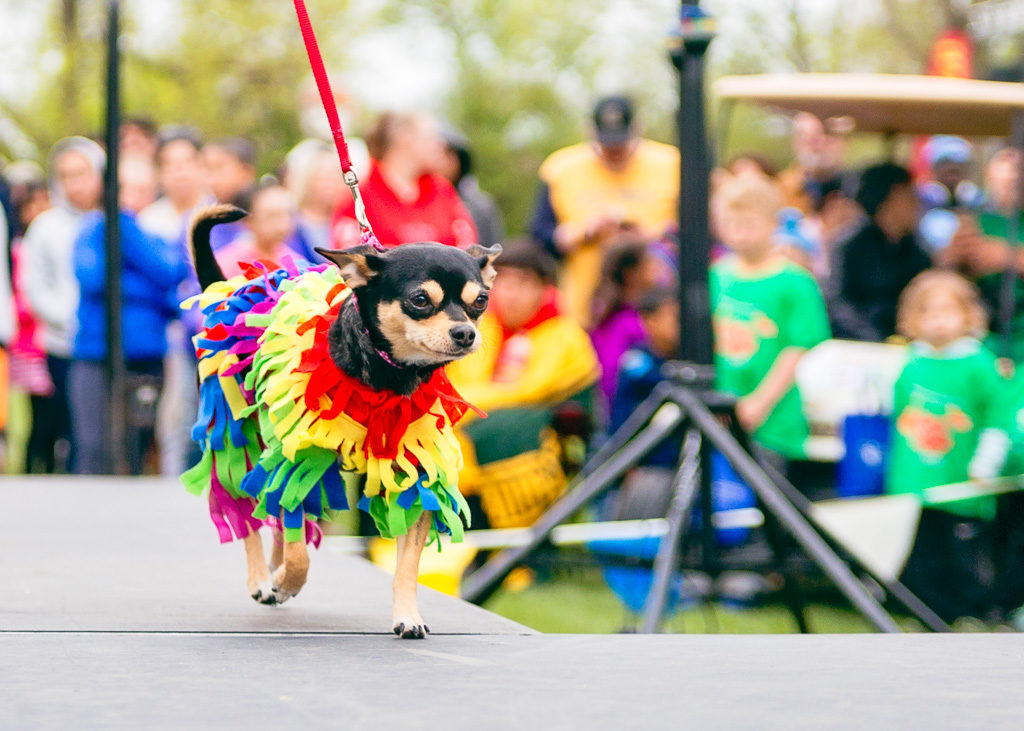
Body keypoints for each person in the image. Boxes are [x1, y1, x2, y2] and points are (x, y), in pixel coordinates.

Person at [887, 270, 1014, 623]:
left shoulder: (979, 364)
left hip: (961, 488)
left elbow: (998, 418)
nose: (938, 321)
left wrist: (987, 461)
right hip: (918, 485)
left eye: (947, 311)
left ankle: (970, 613)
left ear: (968, 315)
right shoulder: (912, 363)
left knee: (961, 557)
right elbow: (901, 416)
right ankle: (927, 614)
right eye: (927, 311)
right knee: (922, 556)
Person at [446, 240, 600, 529]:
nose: (511, 294)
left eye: (523, 283)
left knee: (491, 434)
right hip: (475, 417)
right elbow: (455, 382)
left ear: (545, 289)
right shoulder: (481, 326)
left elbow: (528, 390)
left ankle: (502, 545)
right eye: (502, 283)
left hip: (550, 437)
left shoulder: (565, 334)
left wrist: (457, 405)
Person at [69, 156, 189, 475]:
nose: (131, 198)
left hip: (145, 354)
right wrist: (142, 278)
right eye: (125, 189)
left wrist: (125, 231)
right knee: (93, 446)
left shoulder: (151, 234)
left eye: (142, 189)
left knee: (138, 444)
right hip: (95, 354)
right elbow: (93, 278)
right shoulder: (93, 229)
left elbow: (171, 275)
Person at [711, 175, 831, 473]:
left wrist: (758, 404)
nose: (739, 233)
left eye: (748, 223)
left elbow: (798, 347)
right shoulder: (715, 276)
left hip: (773, 420)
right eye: (731, 223)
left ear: (773, 223)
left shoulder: (796, 282)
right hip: (718, 418)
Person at [531, 95, 679, 326]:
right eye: (606, 142)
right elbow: (539, 237)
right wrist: (584, 232)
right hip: (586, 309)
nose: (614, 149)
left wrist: (648, 237)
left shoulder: (672, 162)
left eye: (621, 141)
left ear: (637, 128)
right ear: (589, 131)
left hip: (658, 314)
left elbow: (699, 235)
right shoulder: (560, 168)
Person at [21, 136, 105, 473]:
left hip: (104, 344)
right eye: (66, 175)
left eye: (81, 173)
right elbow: (33, 283)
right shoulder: (46, 226)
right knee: (68, 430)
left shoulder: (112, 222)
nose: (75, 184)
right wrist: (63, 317)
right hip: (63, 344)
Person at [331, 112, 477, 249]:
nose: (441, 145)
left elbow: (468, 248)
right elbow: (350, 259)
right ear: (404, 139)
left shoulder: (443, 190)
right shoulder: (358, 197)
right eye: (431, 138)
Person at [825, 163, 931, 341]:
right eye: (908, 195)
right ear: (889, 199)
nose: (916, 203)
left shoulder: (917, 250)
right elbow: (837, 303)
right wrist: (874, 338)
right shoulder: (849, 246)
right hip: (858, 345)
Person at [589, 239, 659, 411]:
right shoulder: (623, 322)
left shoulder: (625, 314)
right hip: (624, 412)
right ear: (631, 273)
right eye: (649, 263)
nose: (656, 269)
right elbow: (611, 376)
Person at [138, 127, 211, 243]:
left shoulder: (221, 212)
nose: (180, 174)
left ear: (202, 166)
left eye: (187, 162)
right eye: (170, 165)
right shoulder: (148, 221)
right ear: (159, 173)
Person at [215, 184, 304, 276]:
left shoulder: (296, 262)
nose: (283, 223)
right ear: (248, 220)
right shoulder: (227, 263)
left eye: (288, 215)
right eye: (272, 216)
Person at [437, 125, 504, 246]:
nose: (443, 162)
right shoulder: (413, 203)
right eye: (439, 153)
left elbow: (493, 249)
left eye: (450, 155)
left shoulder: (479, 206)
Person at [283, 139, 346, 254]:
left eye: (338, 176)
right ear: (304, 179)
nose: (334, 184)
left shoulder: (347, 223)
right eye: (326, 177)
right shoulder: (288, 224)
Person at [202, 138, 257, 252]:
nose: (211, 180)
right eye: (208, 169)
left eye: (219, 168)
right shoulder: (198, 223)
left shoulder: (272, 216)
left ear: (246, 172)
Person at [918, 136, 984, 212]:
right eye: (945, 163)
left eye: (959, 164)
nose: (953, 168)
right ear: (934, 169)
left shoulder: (978, 201)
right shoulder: (921, 200)